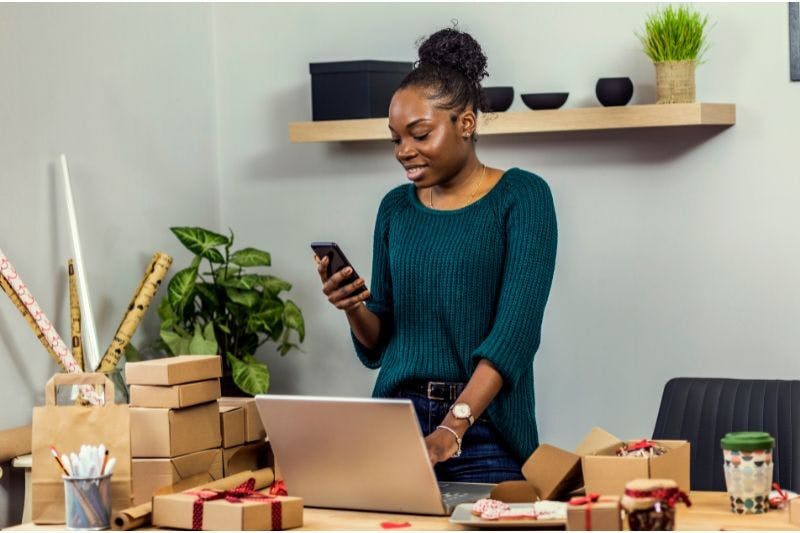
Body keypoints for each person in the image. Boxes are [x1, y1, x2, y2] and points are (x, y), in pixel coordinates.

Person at [314, 26, 557, 484]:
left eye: (419, 134)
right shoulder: (395, 210)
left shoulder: (523, 198)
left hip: (485, 431)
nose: (404, 152)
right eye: (395, 139)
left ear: (465, 123)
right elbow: (379, 343)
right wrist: (352, 307)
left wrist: (452, 427)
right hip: (394, 423)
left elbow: (515, 337)